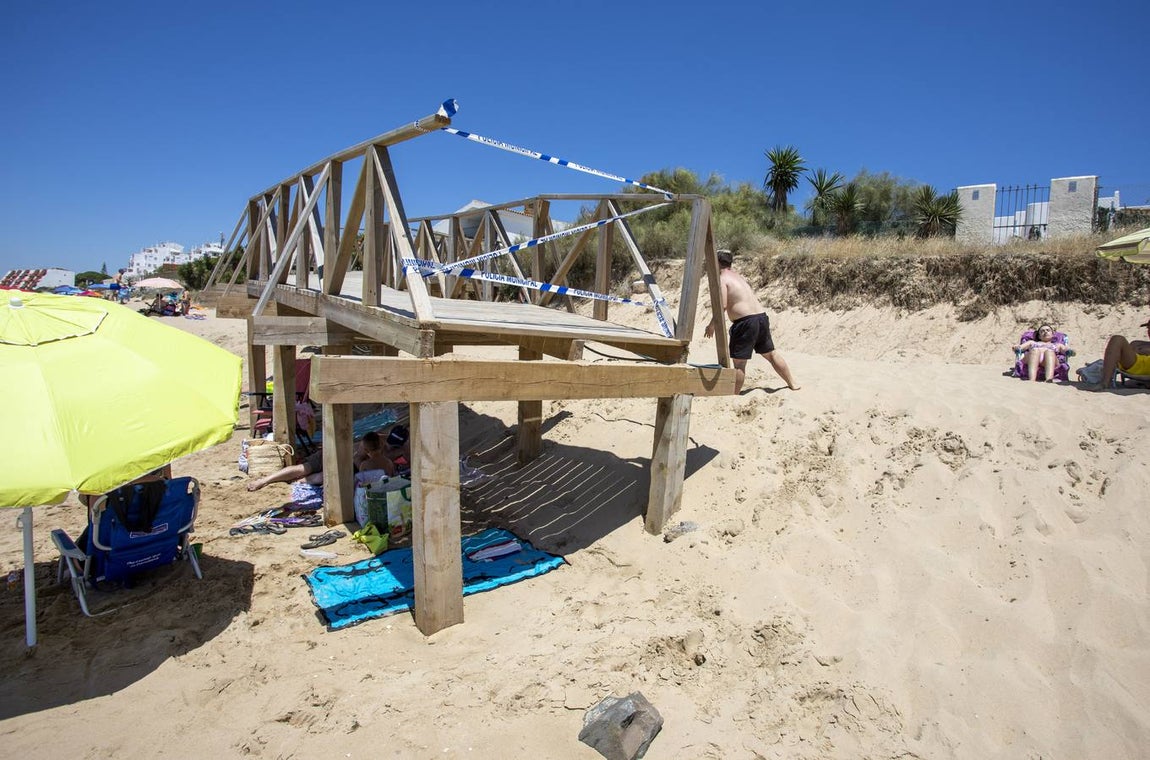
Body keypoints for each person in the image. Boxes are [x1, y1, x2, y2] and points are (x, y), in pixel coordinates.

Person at [704, 248, 799, 394]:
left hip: (746, 322)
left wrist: (711, 326)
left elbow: (722, 306)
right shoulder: (738, 277)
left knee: (739, 364)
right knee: (772, 354)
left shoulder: (722, 279)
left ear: (716, 263)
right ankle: (792, 383)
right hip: (761, 318)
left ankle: (733, 394)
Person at [1093, 319, 1150, 390]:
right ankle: (1105, 383)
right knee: (1117, 339)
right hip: (1133, 364)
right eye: (1148, 328)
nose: (1149, 331)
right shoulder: (1137, 343)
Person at [247, 448, 323, 491]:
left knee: (321, 477)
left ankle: (295, 481)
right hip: (325, 455)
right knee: (302, 468)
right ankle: (263, 480)